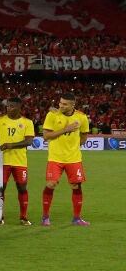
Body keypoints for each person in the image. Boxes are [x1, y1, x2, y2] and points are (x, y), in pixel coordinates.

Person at [41, 94, 90, 226]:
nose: (61, 106)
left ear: (73, 105)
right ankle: (45, 217)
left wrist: (75, 146)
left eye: (65, 104)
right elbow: (46, 136)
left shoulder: (81, 117)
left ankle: (77, 218)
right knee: (51, 184)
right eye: (60, 103)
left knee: (76, 186)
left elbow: (84, 134)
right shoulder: (52, 115)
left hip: (74, 159)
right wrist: (66, 129)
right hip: (55, 157)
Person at [0, 98, 36, 225]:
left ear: (18, 107)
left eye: (12, 106)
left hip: (20, 161)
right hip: (2, 160)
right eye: (7, 106)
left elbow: (29, 141)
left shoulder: (27, 122)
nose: (8, 108)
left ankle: (23, 217)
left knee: (22, 188)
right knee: (1, 189)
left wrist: (10, 145)